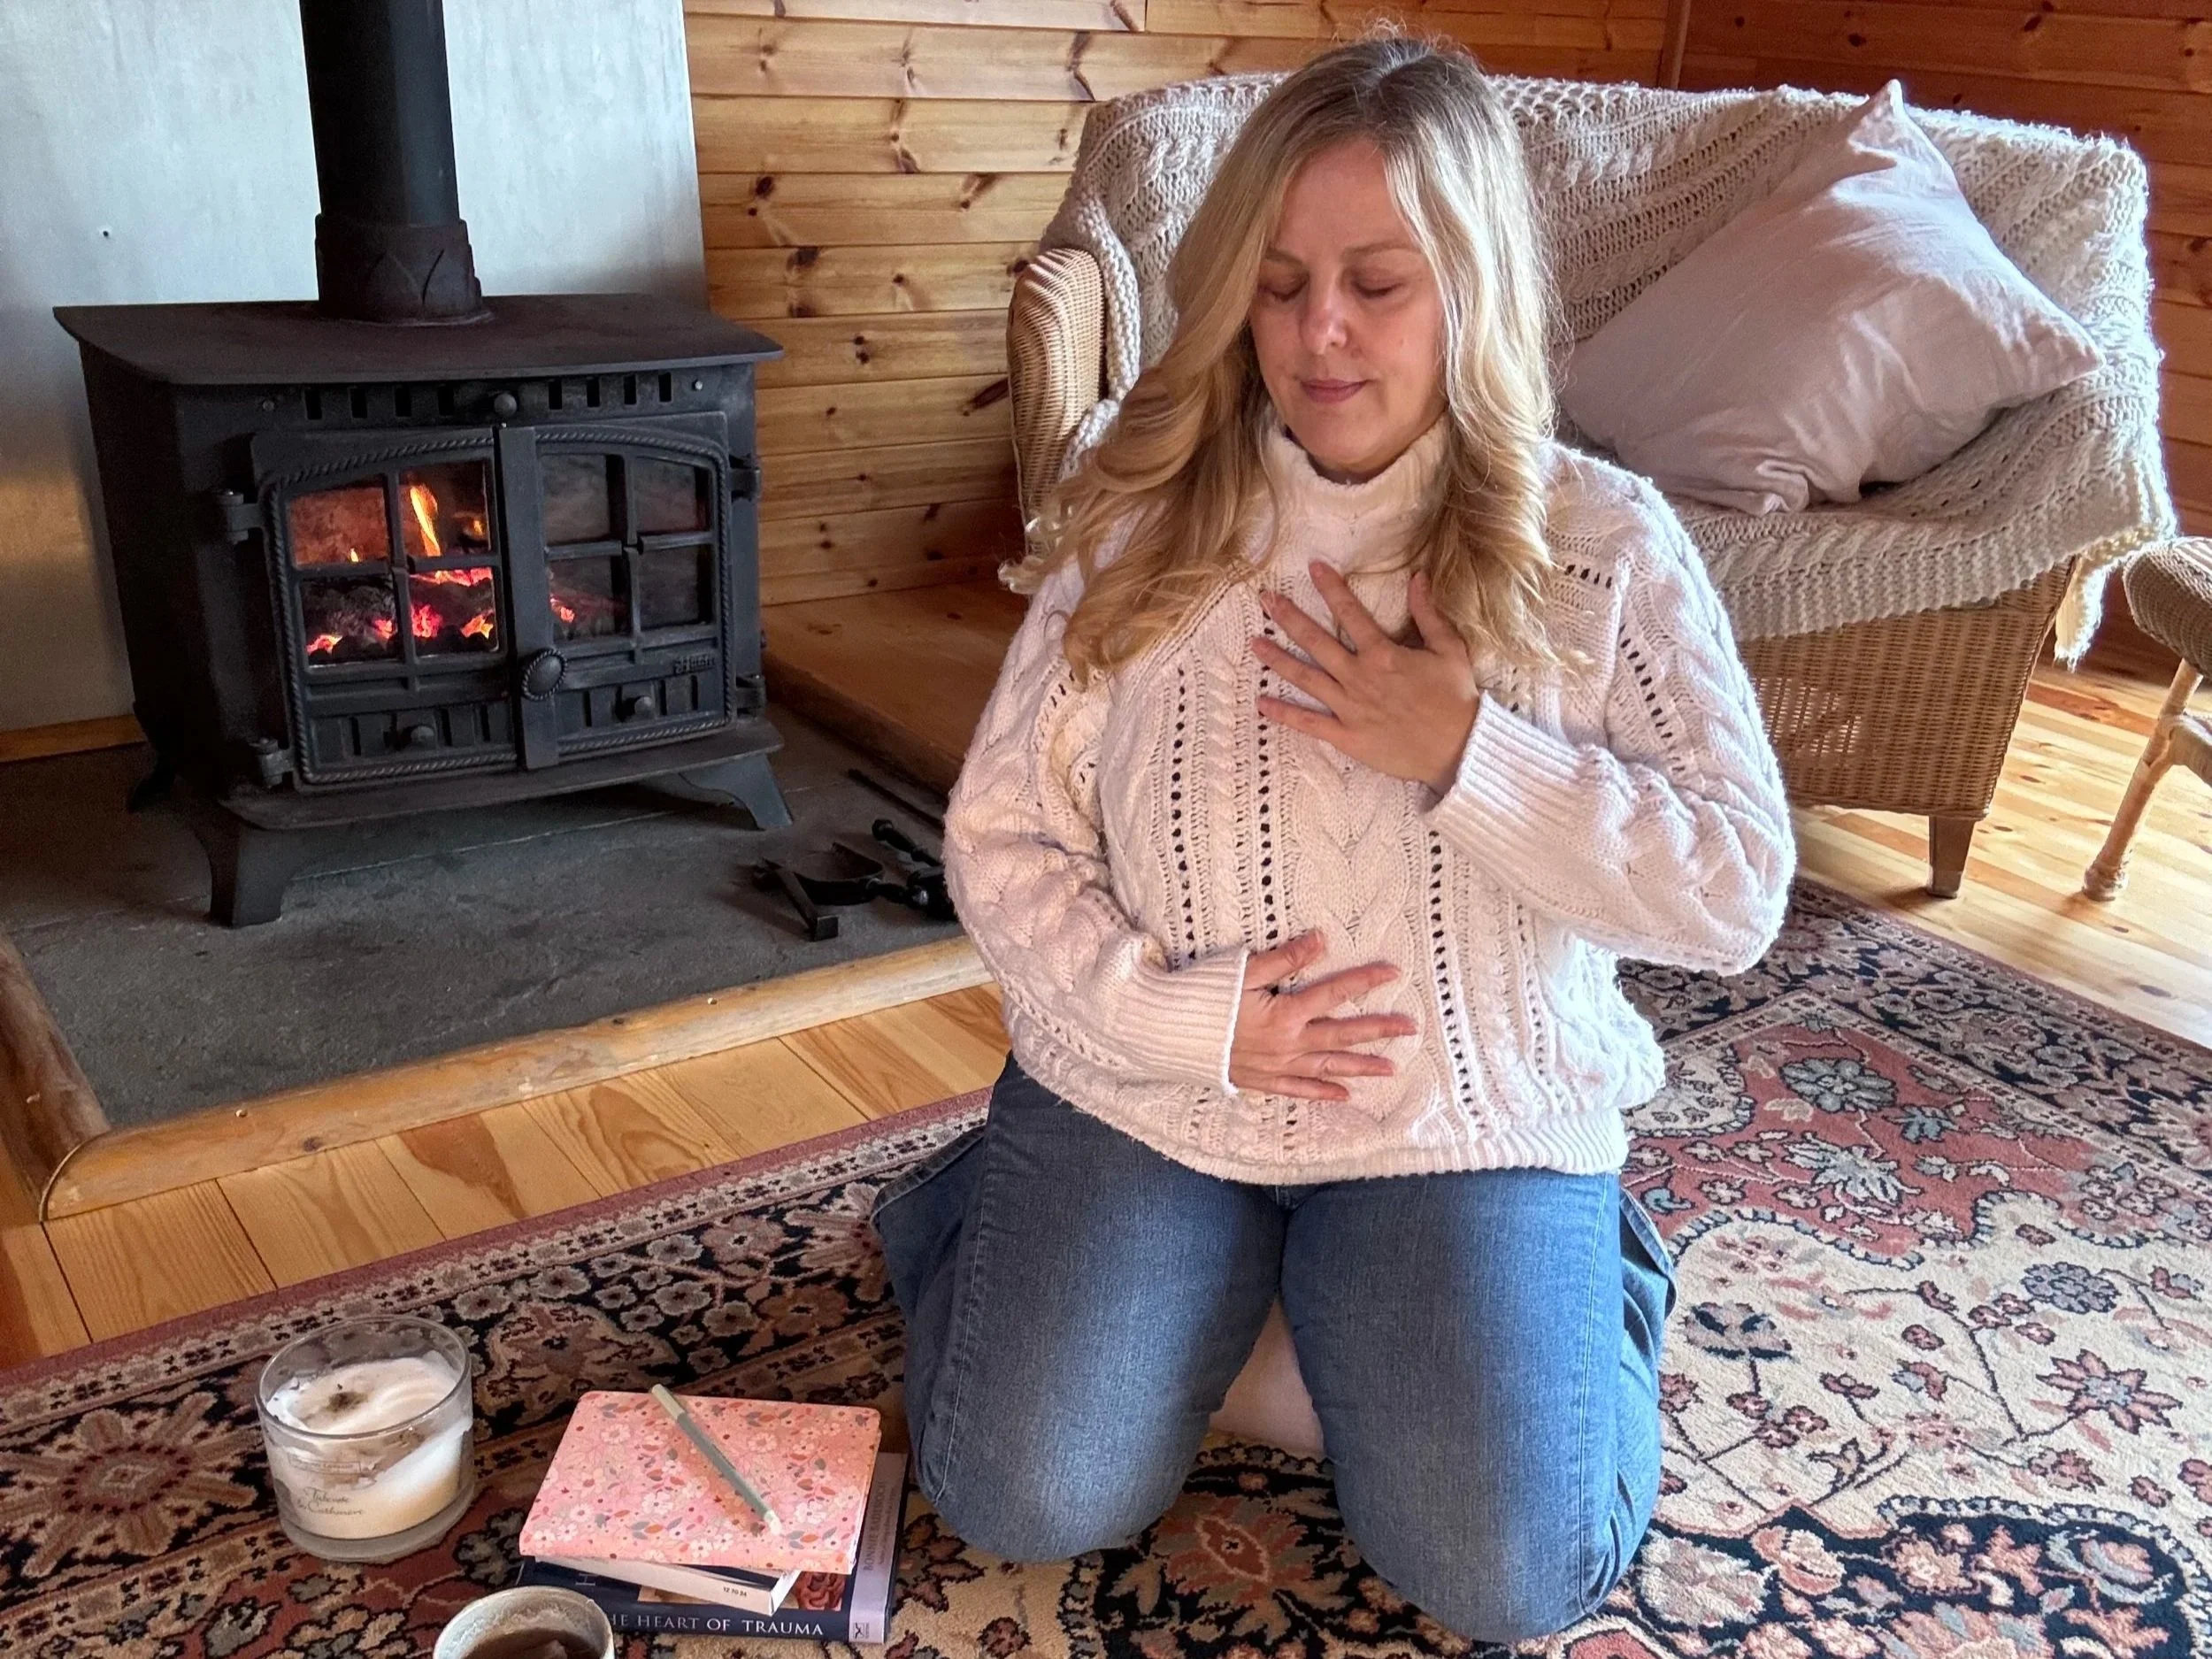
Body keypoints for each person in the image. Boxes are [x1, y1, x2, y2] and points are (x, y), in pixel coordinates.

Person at [870, 32, 1795, 1645]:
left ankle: (1584, 1277)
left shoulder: (1600, 548)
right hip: (1149, 1089)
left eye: (1380, 279)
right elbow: (1002, 839)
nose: (1319, 332)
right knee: (1023, 1490)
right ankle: (1021, 1209)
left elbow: (1735, 889)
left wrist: (1472, 755)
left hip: (1465, 1118)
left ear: (1475, 285)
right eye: (1280, 279)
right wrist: (1190, 1015)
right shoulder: (1141, 510)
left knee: (1513, 1575)